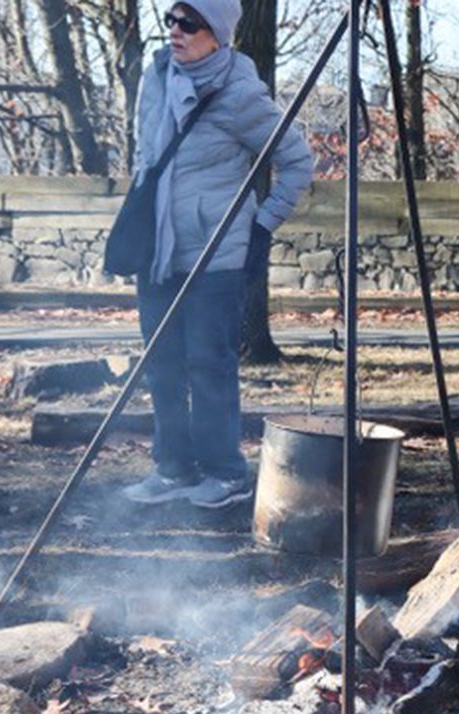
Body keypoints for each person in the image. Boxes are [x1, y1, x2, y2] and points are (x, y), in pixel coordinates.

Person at [121, 0, 313, 510]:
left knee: (208, 365)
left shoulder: (240, 92)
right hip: (159, 249)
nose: (175, 31)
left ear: (218, 34)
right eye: (171, 20)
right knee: (161, 363)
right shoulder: (156, 76)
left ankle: (226, 473)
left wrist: (261, 226)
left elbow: (296, 162)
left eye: (190, 24)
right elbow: (145, 156)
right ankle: (173, 469)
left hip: (215, 253)